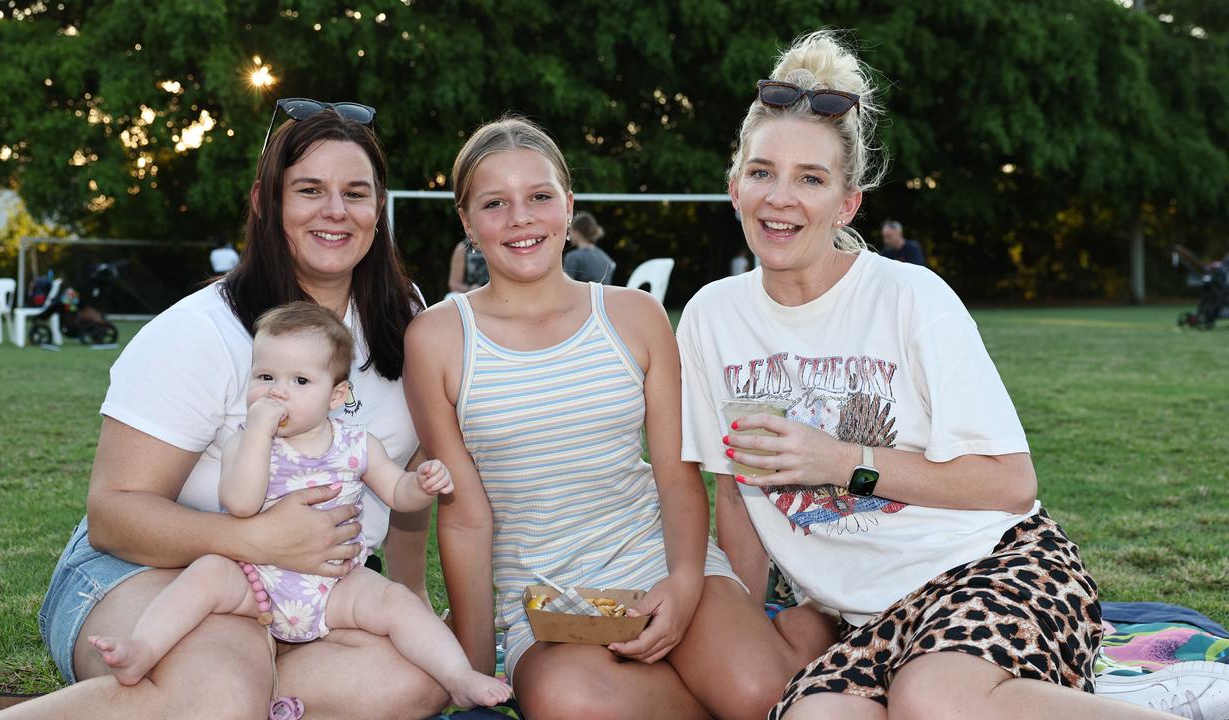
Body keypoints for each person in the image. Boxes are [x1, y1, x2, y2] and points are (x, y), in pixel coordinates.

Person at [678, 30, 1186, 720]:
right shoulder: (711, 317)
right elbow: (735, 500)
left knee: (934, 701)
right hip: (868, 622)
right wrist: (750, 622)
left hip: (995, 570)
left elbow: (1012, 484)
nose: (780, 198)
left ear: (847, 204)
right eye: (763, 172)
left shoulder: (910, 297)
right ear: (734, 186)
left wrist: (844, 461)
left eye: (811, 179)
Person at [3, 102, 448, 720]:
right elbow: (113, 515)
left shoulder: (406, 318)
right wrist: (255, 539)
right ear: (266, 201)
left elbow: (406, 467)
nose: (335, 211)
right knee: (220, 695)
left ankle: (206, 695)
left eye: (355, 192)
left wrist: (411, 595)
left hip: (310, 597)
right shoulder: (199, 331)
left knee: (415, 679)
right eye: (309, 190)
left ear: (379, 209)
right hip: (152, 576)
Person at [403, 117, 826, 720]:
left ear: (569, 207)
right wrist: (474, 674)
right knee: (572, 704)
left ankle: (783, 643)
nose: (521, 218)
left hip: (659, 559)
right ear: (468, 223)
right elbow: (465, 517)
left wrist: (681, 587)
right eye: (495, 204)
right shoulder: (439, 338)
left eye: (540, 197)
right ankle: (786, 650)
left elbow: (677, 476)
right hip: (546, 602)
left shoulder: (634, 315)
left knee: (759, 694)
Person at [85, 302, 510, 709]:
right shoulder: (245, 441)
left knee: (396, 603)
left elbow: (397, 492)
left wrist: (421, 484)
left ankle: (458, 676)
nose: (278, 393)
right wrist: (258, 434)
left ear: (336, 395)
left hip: (334, 585)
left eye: (300, 382)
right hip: (253, 580)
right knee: (206, 575)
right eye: (265, 377)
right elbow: (240, 503)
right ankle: (145, 647)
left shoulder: (355, 443)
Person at [563, 211, 616, 283]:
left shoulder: (573, 257)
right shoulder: (607, 259)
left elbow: (566, 286)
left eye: (570, 230)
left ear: (577, 232)